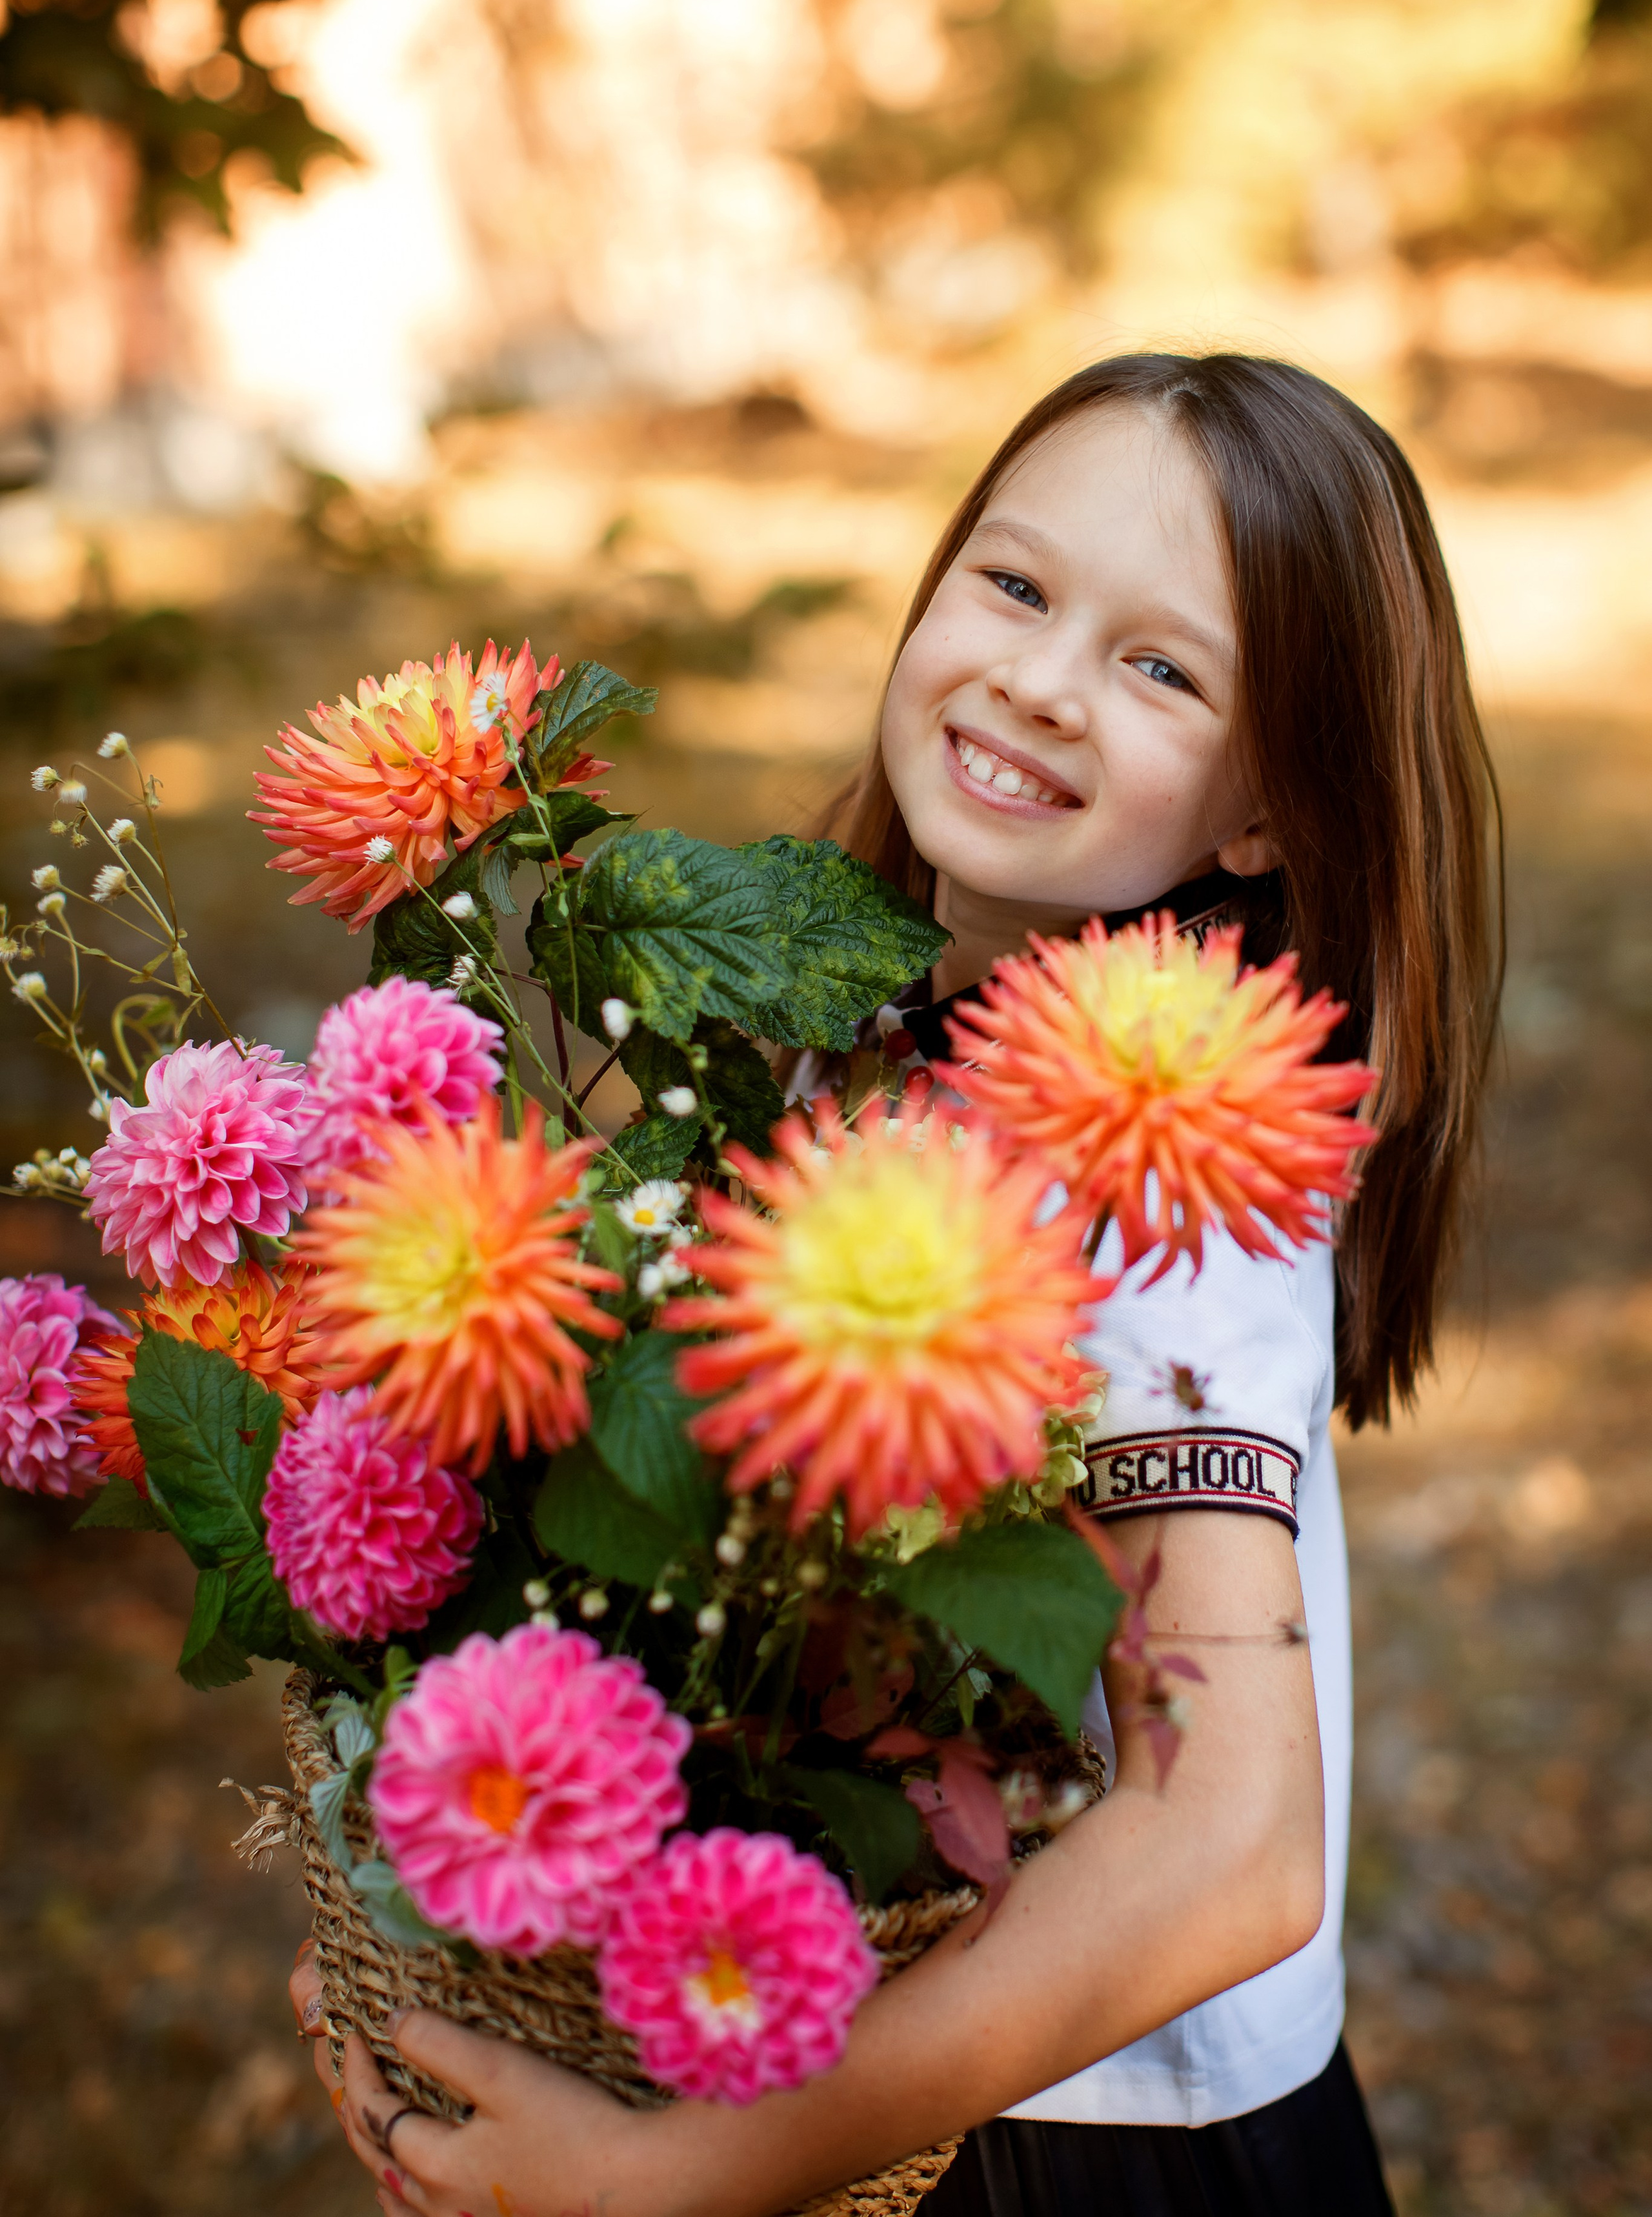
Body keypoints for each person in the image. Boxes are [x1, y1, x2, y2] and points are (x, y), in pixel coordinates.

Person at [292, 352, 1502, 2217]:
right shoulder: (835, 1030)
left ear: (1270, 816)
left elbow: (1235, 1841)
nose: (1035, 678)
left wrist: (679, 2174)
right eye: (1015, 587)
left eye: (1161, 666)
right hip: (855, 2061)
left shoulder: (1173, 1155)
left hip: (1087, 2141)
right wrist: (434, 1897)